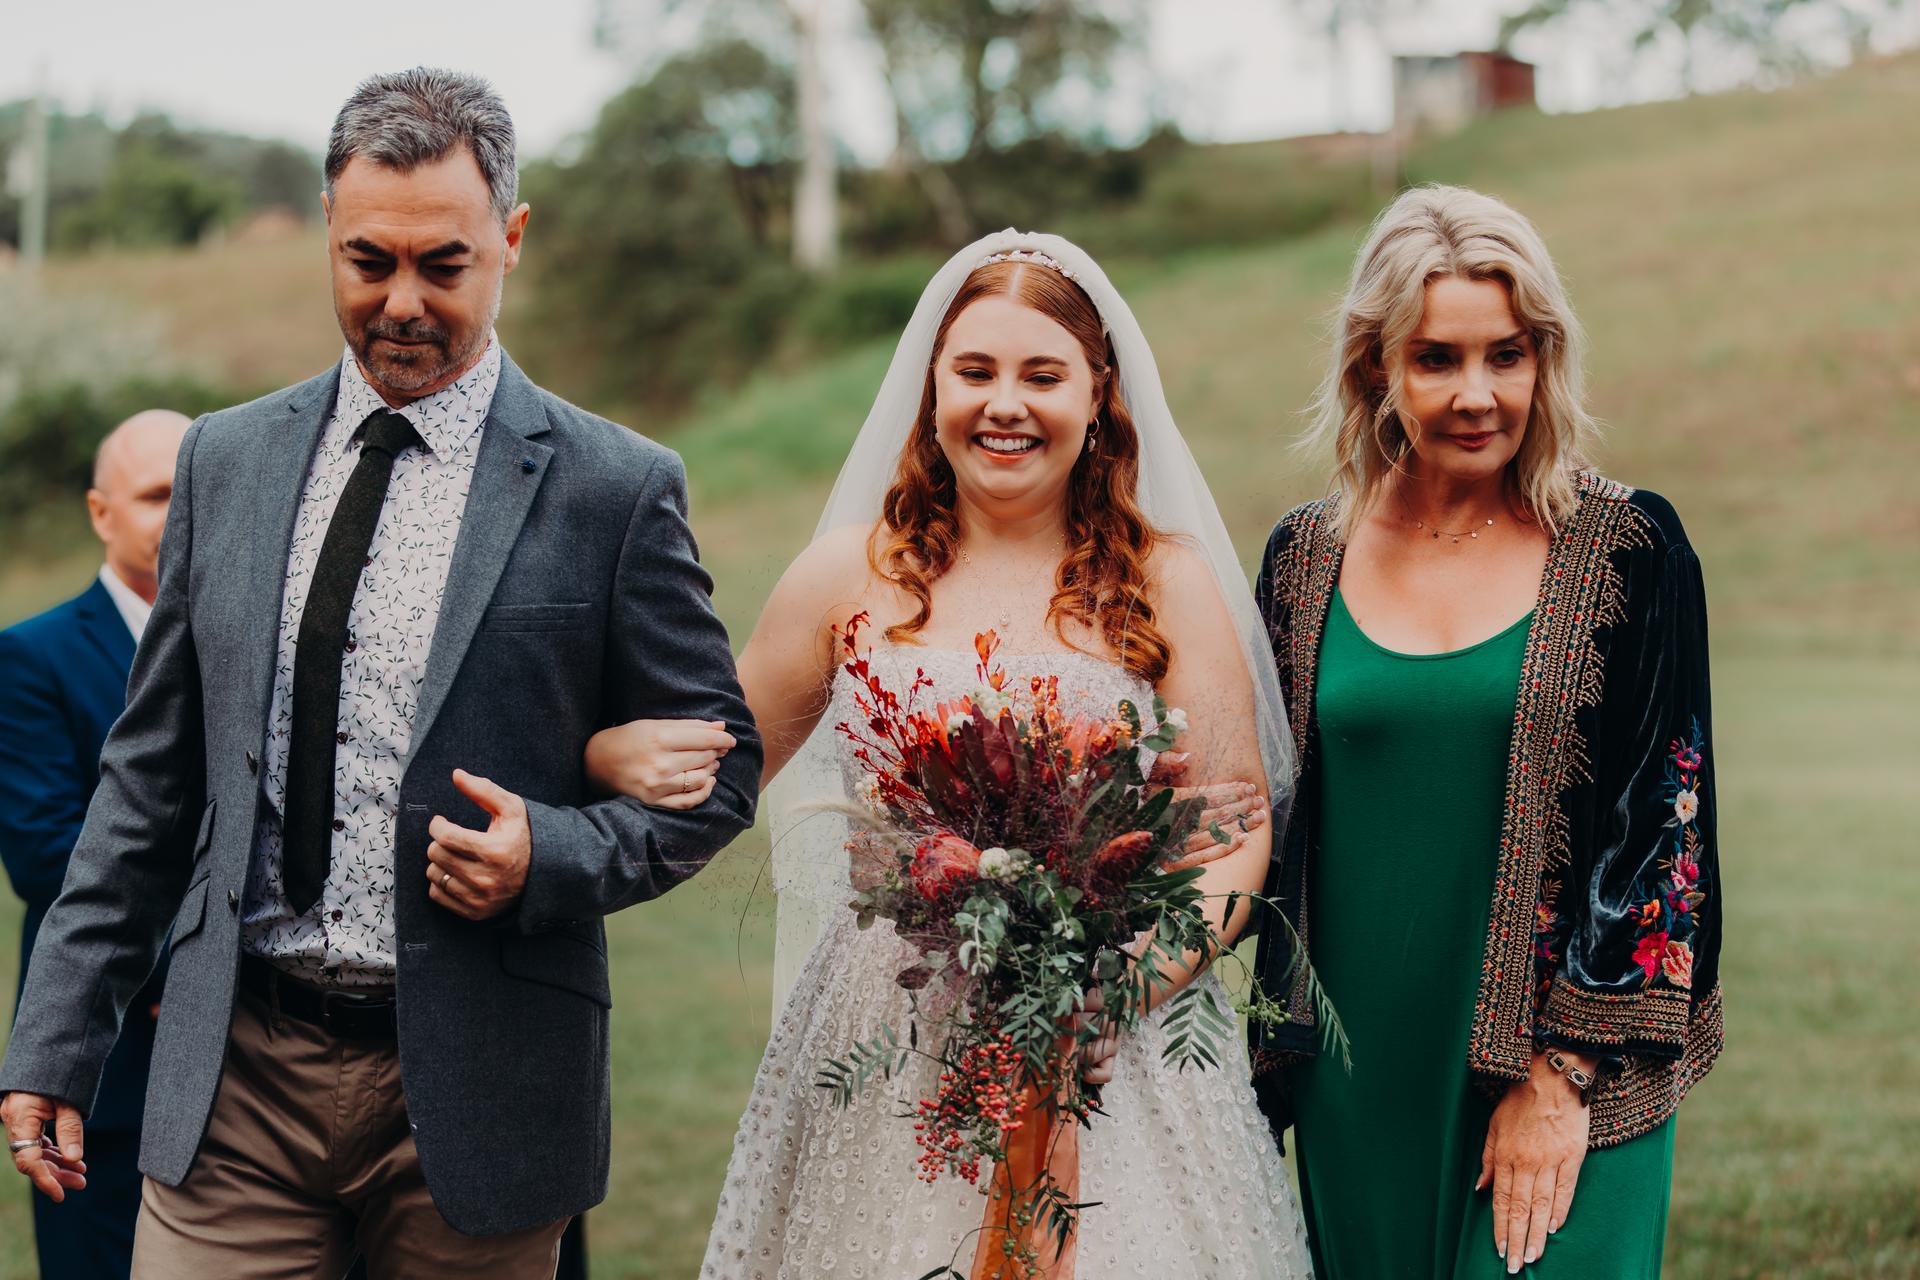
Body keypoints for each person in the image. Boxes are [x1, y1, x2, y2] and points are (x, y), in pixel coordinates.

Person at [0, 67, 759, 1278]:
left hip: (483, 1074)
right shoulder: (225, 461)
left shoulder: (616, 488)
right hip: (238, 1072)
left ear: (509, 239)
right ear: (327, 232)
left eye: (443, 266)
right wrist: (51, 1037)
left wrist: (548, 855)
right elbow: (145, 781)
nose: (402, 302)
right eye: (370, 261)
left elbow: (721, 775)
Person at [586, 232, 1313, 1278]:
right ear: (932, 388)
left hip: (1117, 1030)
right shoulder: (850, 576)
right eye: (974, 371)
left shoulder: (1169, 582)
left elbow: (1234, 824)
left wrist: (1113, 990)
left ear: (1099, 393)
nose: (1004, 403)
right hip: (890, 1035)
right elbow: (719, 758)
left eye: (1042, 374)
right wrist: (608, 752)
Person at [1248, 184, 1724, 1278]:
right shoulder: (1301, 558)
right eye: (1436, 359)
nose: (1476, 394)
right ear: (1375, 367)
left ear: (1544, 360)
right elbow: (1249, 811)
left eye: (1506, 355)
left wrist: (1556, 1077)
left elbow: (1666, 828)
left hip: (1573, 1071)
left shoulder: (1629, 545)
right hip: (1359, 1075)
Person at [0, 410, 189, 1278]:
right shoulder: (30, 657)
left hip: (261, 1068)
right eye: (155, 495)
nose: (178, 510)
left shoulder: (261, 646)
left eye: (194, 491)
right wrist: (195, 955)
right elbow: (47, 852)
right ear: (100, 512)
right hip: (108, 1066)